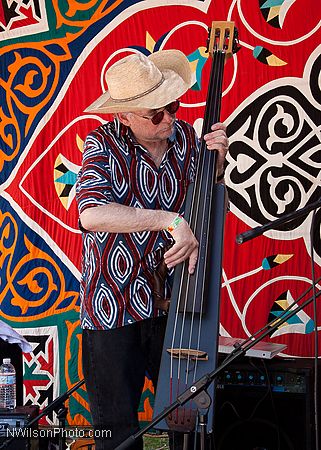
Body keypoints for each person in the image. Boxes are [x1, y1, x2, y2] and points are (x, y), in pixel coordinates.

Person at [76, 49, 229, 450]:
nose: (170, 118)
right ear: (124, 116)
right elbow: (91, 214)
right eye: (156, 114)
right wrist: (169, 220)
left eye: (173, 106)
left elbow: (204, 193)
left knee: (179, 422)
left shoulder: (186, 139)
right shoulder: (102, 145)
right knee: (117, 432)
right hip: (113, 306)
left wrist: (219, 161)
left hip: (170, 306)